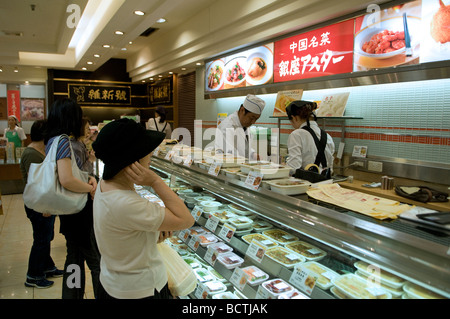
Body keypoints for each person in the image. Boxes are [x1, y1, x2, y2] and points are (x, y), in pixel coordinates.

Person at [92, 118, 194, 299]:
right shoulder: (125, 202)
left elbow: (124, 233)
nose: (151, 157)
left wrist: (151, 234)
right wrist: (155, 181)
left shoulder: (105, 185)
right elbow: (186, 219)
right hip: (140, 290)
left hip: (114, 283)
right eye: (147, 151)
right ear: (133, 159)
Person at [45, 98, 100, 299]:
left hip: (69, 211)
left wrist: (89, 179)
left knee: (74, 259)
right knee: (95, 261)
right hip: (80, 211)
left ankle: (71, 296)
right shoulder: (64, 142)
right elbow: (67, 179)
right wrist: (90, 188)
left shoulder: (52, 140)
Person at [20, 119, 64, 289]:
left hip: (44, 201)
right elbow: (36, 184)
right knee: (41, 239)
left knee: (46, 236)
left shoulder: (40, 149)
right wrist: (45, 206)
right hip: (39, 203)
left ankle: (46, 266)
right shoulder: (31, 153)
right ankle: (34, 275)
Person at [208, 94, 265, 160]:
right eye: (252, 118)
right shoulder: (227, 126)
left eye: (256, 119)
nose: (253, 122)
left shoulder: (244, 125)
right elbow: (229, 153)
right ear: (242, 110)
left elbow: (243, 148)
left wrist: (253, 154)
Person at [285, 100, 335, 174]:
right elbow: (330, 168)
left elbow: (294, 167)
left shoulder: (296, 135)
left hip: (306, 183)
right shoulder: (327, 136)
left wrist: (283, 168)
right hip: (326, 183)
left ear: (295, 118)